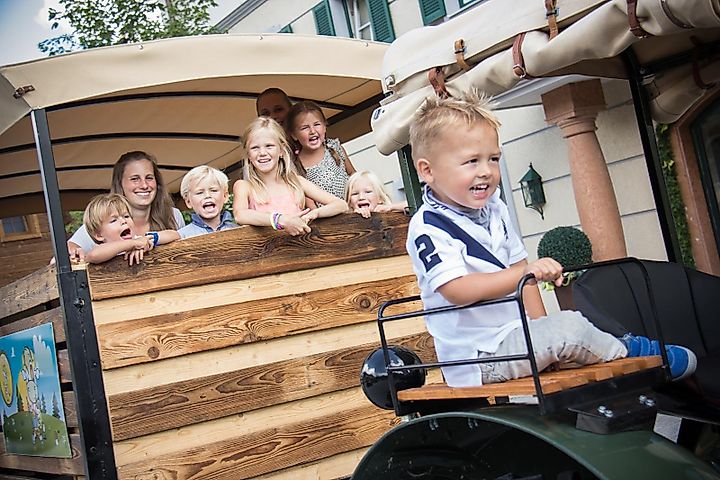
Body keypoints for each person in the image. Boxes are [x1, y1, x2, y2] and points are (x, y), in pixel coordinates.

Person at [405, 91, 697, 388]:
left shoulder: (494, 208)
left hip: (516, 337)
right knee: (569, 327)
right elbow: (457, 290)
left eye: (493, 159)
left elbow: (522, 272)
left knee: (564, 326)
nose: (486, 172)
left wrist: (540, 325)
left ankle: (615, 362)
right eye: (471, 161)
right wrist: (526, 275)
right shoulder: (428, 227)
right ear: (428, 170)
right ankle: (633, 354)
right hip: (478, 355)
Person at [233, 116, 347, 236]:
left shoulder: (297, 182)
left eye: (269, 146)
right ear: (248, 155)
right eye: (255, 148)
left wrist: (315, 213)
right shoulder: (244, 186)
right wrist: (281, 220)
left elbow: (341, 205)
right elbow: (240, 215)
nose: (262, 153)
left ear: (281, 150)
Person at [67, 151, 185, 261]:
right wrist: (76, 252)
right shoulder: (102, 219)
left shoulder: (173, 215)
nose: (144, 185)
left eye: (149, 178)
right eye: (135, 179)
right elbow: (73, 250)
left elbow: (181, 240)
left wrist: (148, 240)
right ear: (120, 184)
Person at [82, 193, 179, 265]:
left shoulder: (141, 240)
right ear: (99, 235)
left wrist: (147, 240)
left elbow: (174, 235)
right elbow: (93, 256)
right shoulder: (101, 249)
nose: (123, 221)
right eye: (113, 220)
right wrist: (133, 244)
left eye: (126, 216)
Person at [287, 101, 357, 199]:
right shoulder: (295, 165)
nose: (312, 131)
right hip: (326, 209)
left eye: (317, 124)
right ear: (294, 135)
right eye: (305, 128)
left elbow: (353, 174)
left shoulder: (334, 147)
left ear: (324, 127)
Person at [178, 166, 238, 239]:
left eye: (214, 190)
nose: (207, 195)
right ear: (188, 202)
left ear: (225, 196)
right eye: (199, 192)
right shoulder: (182, 236)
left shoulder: (238, 231)